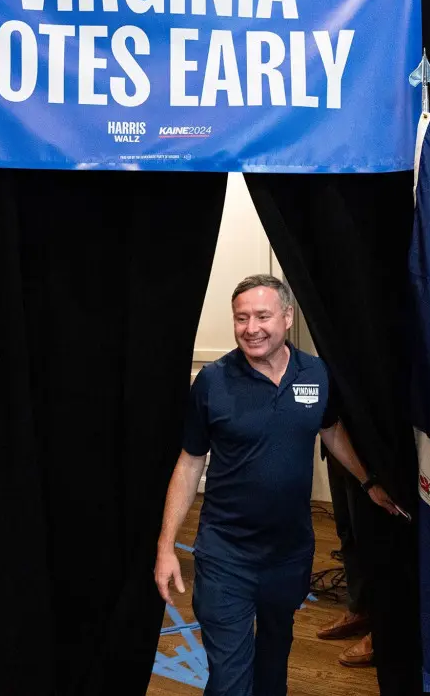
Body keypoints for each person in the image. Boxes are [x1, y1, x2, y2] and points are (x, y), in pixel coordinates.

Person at [155, 274, 399, 696]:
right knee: (230, 681)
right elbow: (190, 462)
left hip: (288, 553)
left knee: (273, 666)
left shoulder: (316, 373)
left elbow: (331, 429)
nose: (251, 328)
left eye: (263, 316)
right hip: (225, 556)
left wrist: (369, 481)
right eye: (241, 318)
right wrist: (165, 547)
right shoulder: (212, 382)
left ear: (287, 317)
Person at [316, 451, 375, 668]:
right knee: (346, 529)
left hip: (371, 450)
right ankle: (358, 608)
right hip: (336, 439)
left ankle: (384, 632)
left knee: (372, 540)